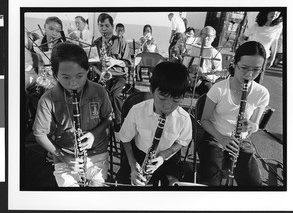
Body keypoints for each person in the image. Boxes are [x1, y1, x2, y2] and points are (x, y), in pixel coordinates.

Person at [32, 42, 113, 187]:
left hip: (97, 153)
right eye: (65, 77)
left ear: (88, 71)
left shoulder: (99, 91)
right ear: (55, 75)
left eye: (79, 76)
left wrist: (94, 134)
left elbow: (108, 117)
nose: (73, 83)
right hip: (64, 155)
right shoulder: (47, 99)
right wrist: (64, 157)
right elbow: (39, 134)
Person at [198, 41, 270, 186]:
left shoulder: (261, 93)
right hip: (215, 136)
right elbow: (204, 120)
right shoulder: (218, 89)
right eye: (244, 68)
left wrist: (251, 126)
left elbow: (255, 125)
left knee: (254, 183)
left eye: (256, 69)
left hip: (241, 141)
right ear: (234, 63)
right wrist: (222, 139)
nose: (249, 74)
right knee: (212, 182)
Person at [116, 61, 192, 186]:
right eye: (162, 98)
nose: (167, 106)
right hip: (138, 156)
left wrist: (163, 155)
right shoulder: (137, 110)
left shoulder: (183, 118)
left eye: (176, 99)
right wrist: (132, 165)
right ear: (151, 90)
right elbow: (125, 139)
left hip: (167, 159)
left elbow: (182, 141)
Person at [92, 13, 130, 132]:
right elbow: (92, 65)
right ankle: (98, 121)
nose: (104, 29)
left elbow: (127, 63)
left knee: (114, 94)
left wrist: (115, 61)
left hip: (119, 76)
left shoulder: (121, 41)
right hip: (102, 76)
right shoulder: (96, 43)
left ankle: (119, 121)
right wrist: (101, 73)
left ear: (112, 27)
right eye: (101, 25)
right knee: (93, 94)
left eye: (107, 26)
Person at [238, 11, 283, 83]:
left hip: (264, 58)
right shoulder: (256, 26)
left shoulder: (278, 26)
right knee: (244, 78)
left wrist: (272, 58)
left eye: (278, 11)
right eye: (273, 10)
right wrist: (247, 47)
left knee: (257, 81)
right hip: (250, 56)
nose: (275, 13)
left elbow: (274, 43)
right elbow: (241, 38)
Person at [185, 26, 223, 97]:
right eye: (204, 35)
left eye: (209, 36)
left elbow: (218, 72)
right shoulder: (192, 49)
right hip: (188, 78)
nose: (206, 38)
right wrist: (188, 75)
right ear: (200, 35)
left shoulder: (216, 54)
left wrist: (207, 76)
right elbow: (184, 66)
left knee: (210, 94)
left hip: (204, 80)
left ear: (213, 38)